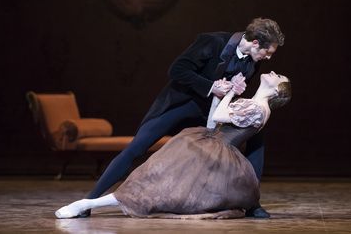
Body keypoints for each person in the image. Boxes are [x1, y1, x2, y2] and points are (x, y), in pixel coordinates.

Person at [80, 17, 285, 218]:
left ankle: (252, 204)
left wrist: (233, 90)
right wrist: (211, 86)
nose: (268, 58)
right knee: (136, 148)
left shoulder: (253, 60)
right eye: (268, 52)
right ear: (255, 42)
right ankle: (89, 200)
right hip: (183, 104)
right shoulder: (213, 42)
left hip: (211, 112)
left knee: (257, 135)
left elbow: (230, 86)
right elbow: (177, 70)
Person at [55, 71, 292, 219]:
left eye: (278, 77)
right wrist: (221, 94)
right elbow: (213, 123)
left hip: (212, 153)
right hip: (207, 144)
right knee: (154, 182)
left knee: (157, 184)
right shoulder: (253, 104)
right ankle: (89, 203)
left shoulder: (258, 109)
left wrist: (228, 92)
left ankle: (88, 203)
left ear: (276, 91)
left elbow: (219, 117)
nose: (273, 73)